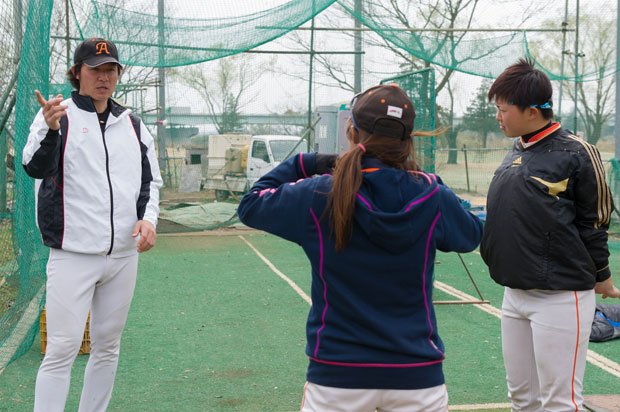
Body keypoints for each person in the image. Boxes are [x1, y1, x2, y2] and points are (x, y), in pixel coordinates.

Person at [238, 84, 483, 411]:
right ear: (407, 141)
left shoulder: (319, 193)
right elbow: (470, 235)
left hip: (337, 377)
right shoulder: (431, 194)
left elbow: (251, 204)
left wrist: (308, 162)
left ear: (352, 131)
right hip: (416, 377)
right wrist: (443, 192)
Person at [22, 37, 163, 412]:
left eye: (111, 69)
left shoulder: (132, 124)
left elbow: (150, 182)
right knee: (62, 349)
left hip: (122, 255)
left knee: (108, 345)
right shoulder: (58, 114)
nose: (104, 77)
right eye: (95, 69)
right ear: (77, 72)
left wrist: (148, 221)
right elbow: (33, 166)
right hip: (73, 254)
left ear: (118, 75)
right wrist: (50, 130)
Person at [481, 58, 620, 411]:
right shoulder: (518, 147)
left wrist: (602, 276)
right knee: (521, 399)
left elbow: (595, 221)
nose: (498, 116)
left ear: (531, 110)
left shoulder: (576, 152)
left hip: (560, 295)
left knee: (558, 402)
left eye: (503, 109)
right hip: (514, 294)